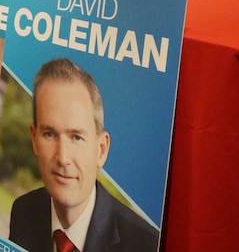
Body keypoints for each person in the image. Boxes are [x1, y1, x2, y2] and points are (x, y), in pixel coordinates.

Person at [9, 58, 158, 252]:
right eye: (50, 134)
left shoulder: (145, 245)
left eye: (76, 138)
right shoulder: (23, 212)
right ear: (34, 139)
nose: (63, 158)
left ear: (101, 150)